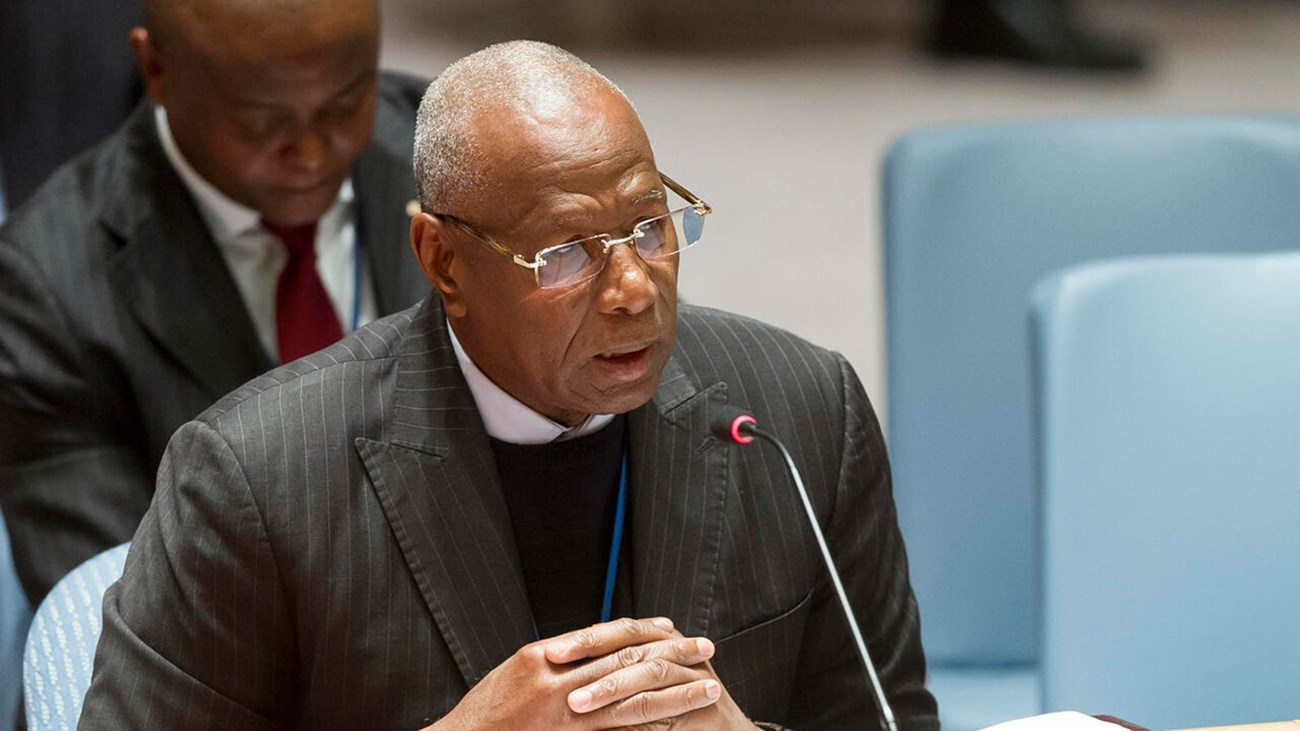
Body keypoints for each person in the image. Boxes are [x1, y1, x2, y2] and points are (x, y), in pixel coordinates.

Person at [79, 41, 938, 730]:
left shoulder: (800, 413)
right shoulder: (256, 479)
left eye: (650, 225)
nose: (633, 288)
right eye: (565, 253)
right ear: (444, 262)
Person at [0, 0, 430, 606]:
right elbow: (129, 612)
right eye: (260, 121)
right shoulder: (46, 287)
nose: (312, 154)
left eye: (345, 104)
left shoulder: (464, 157)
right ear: (157, 69)